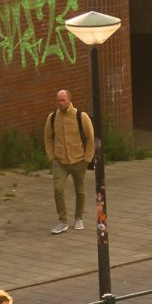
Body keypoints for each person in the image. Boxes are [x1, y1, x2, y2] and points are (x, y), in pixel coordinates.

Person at [43, 89, 96, 235]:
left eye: (63, 100)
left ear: (69, 100)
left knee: (80, 189)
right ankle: (63, 220)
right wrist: (51, 157)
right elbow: (47, 138)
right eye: (58, 100)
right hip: (60, 162)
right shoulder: (53, 118)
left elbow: (91, 138)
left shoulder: (81, 116)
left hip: (79, 160)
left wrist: (87, 158)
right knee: (58, 189)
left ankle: (79, 217)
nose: (60, 103)